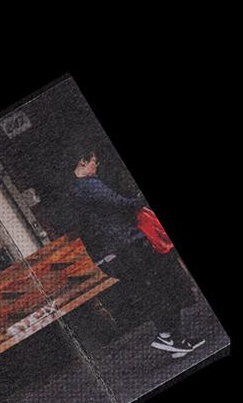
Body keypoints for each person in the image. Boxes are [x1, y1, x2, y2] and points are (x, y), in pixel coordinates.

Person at [69, 145, 204, 361]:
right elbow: (120, 204)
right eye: (94, 161)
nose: (97, 166)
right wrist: (140, 200)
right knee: (160, 286)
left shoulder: (75, 192)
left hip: (113, 252)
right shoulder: (88, 185)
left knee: (152, 290)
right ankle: (167, 335)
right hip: (126, 247)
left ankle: (174, 340)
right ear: (83, 162)